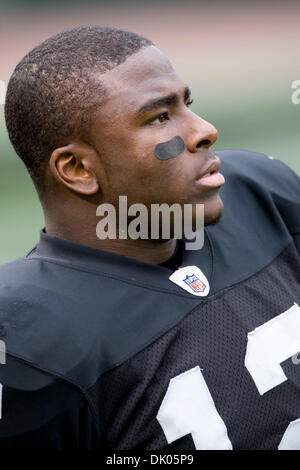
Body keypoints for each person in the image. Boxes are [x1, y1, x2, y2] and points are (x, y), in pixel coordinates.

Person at [0, 25, 299, 450]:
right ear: (78, 170)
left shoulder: (261, 193)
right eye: (160, 117)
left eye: (187, 104)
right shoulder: (25, 335)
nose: (205, 130)